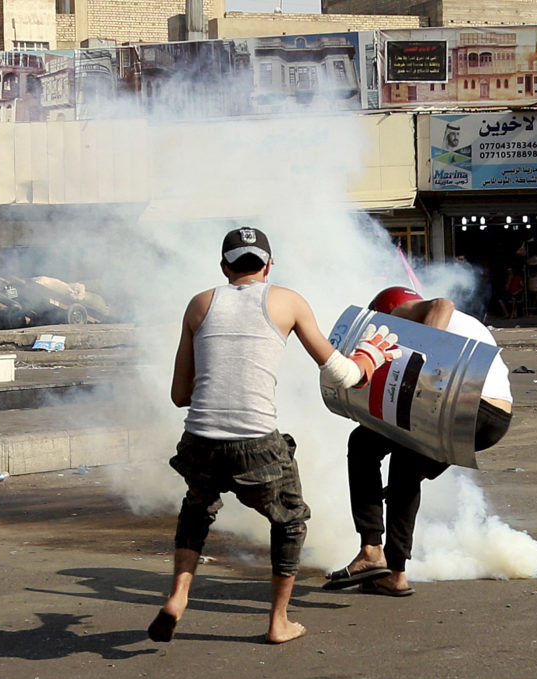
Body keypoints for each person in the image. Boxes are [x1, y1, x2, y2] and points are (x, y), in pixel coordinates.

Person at [148, 227, 401, 645]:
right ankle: (278, 622)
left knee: (196, 511)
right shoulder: (287, 300)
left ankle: (177, 596)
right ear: (268, 264)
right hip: (255, 443)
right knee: (289, 520)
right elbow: (344, 375)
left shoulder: (199, 304)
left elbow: (180, 395)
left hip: (199, 440)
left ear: (224, 266)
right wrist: (370, 356)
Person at [323, 287, 513, 597]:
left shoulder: (403, 313)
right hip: (492, 423)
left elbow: (443, 303)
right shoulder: (468, 325)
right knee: (405, 469)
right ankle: (395, 574)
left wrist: (421, 360)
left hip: (462, 405)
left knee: (362, 443)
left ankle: (372, 550)